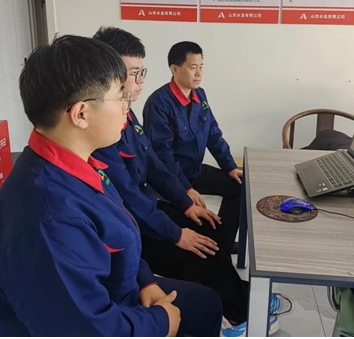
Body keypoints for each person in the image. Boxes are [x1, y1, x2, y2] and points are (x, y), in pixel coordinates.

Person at [0, 35, 222, 337]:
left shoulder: (77, 164)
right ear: (81, 114)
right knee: (195, 306)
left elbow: (119, 235)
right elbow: (87, 329)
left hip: (116, 290)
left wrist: (146, 281)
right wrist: (160, 322)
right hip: (96, 317)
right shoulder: (50, 221)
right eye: (120, 97)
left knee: (204, 303)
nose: (127, 108)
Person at [91, 27, 282, 334]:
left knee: (209, 229)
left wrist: (185, 203)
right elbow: (132, 194)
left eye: (141, 73)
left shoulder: (129, 114)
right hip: (136, 224)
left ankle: (239, 297)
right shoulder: (115, 124)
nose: (140, 81)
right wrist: (178, 232)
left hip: (155, 204)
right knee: (204, 249)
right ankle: (239, 315)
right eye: (133, 73)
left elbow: (153, 162)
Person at [142, 41, 242, 252]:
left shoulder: (200, 95)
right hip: (171, 178)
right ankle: (211, 245)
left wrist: (230, 167)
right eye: (193, 67)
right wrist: (185, 189)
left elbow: (213, 134)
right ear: (174, 69)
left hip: (195, 171)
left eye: (201, 66)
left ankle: (223, 243)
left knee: (239, 188)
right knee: (198, 218)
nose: (199, 73)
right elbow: (162, 153)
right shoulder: (158, 103)